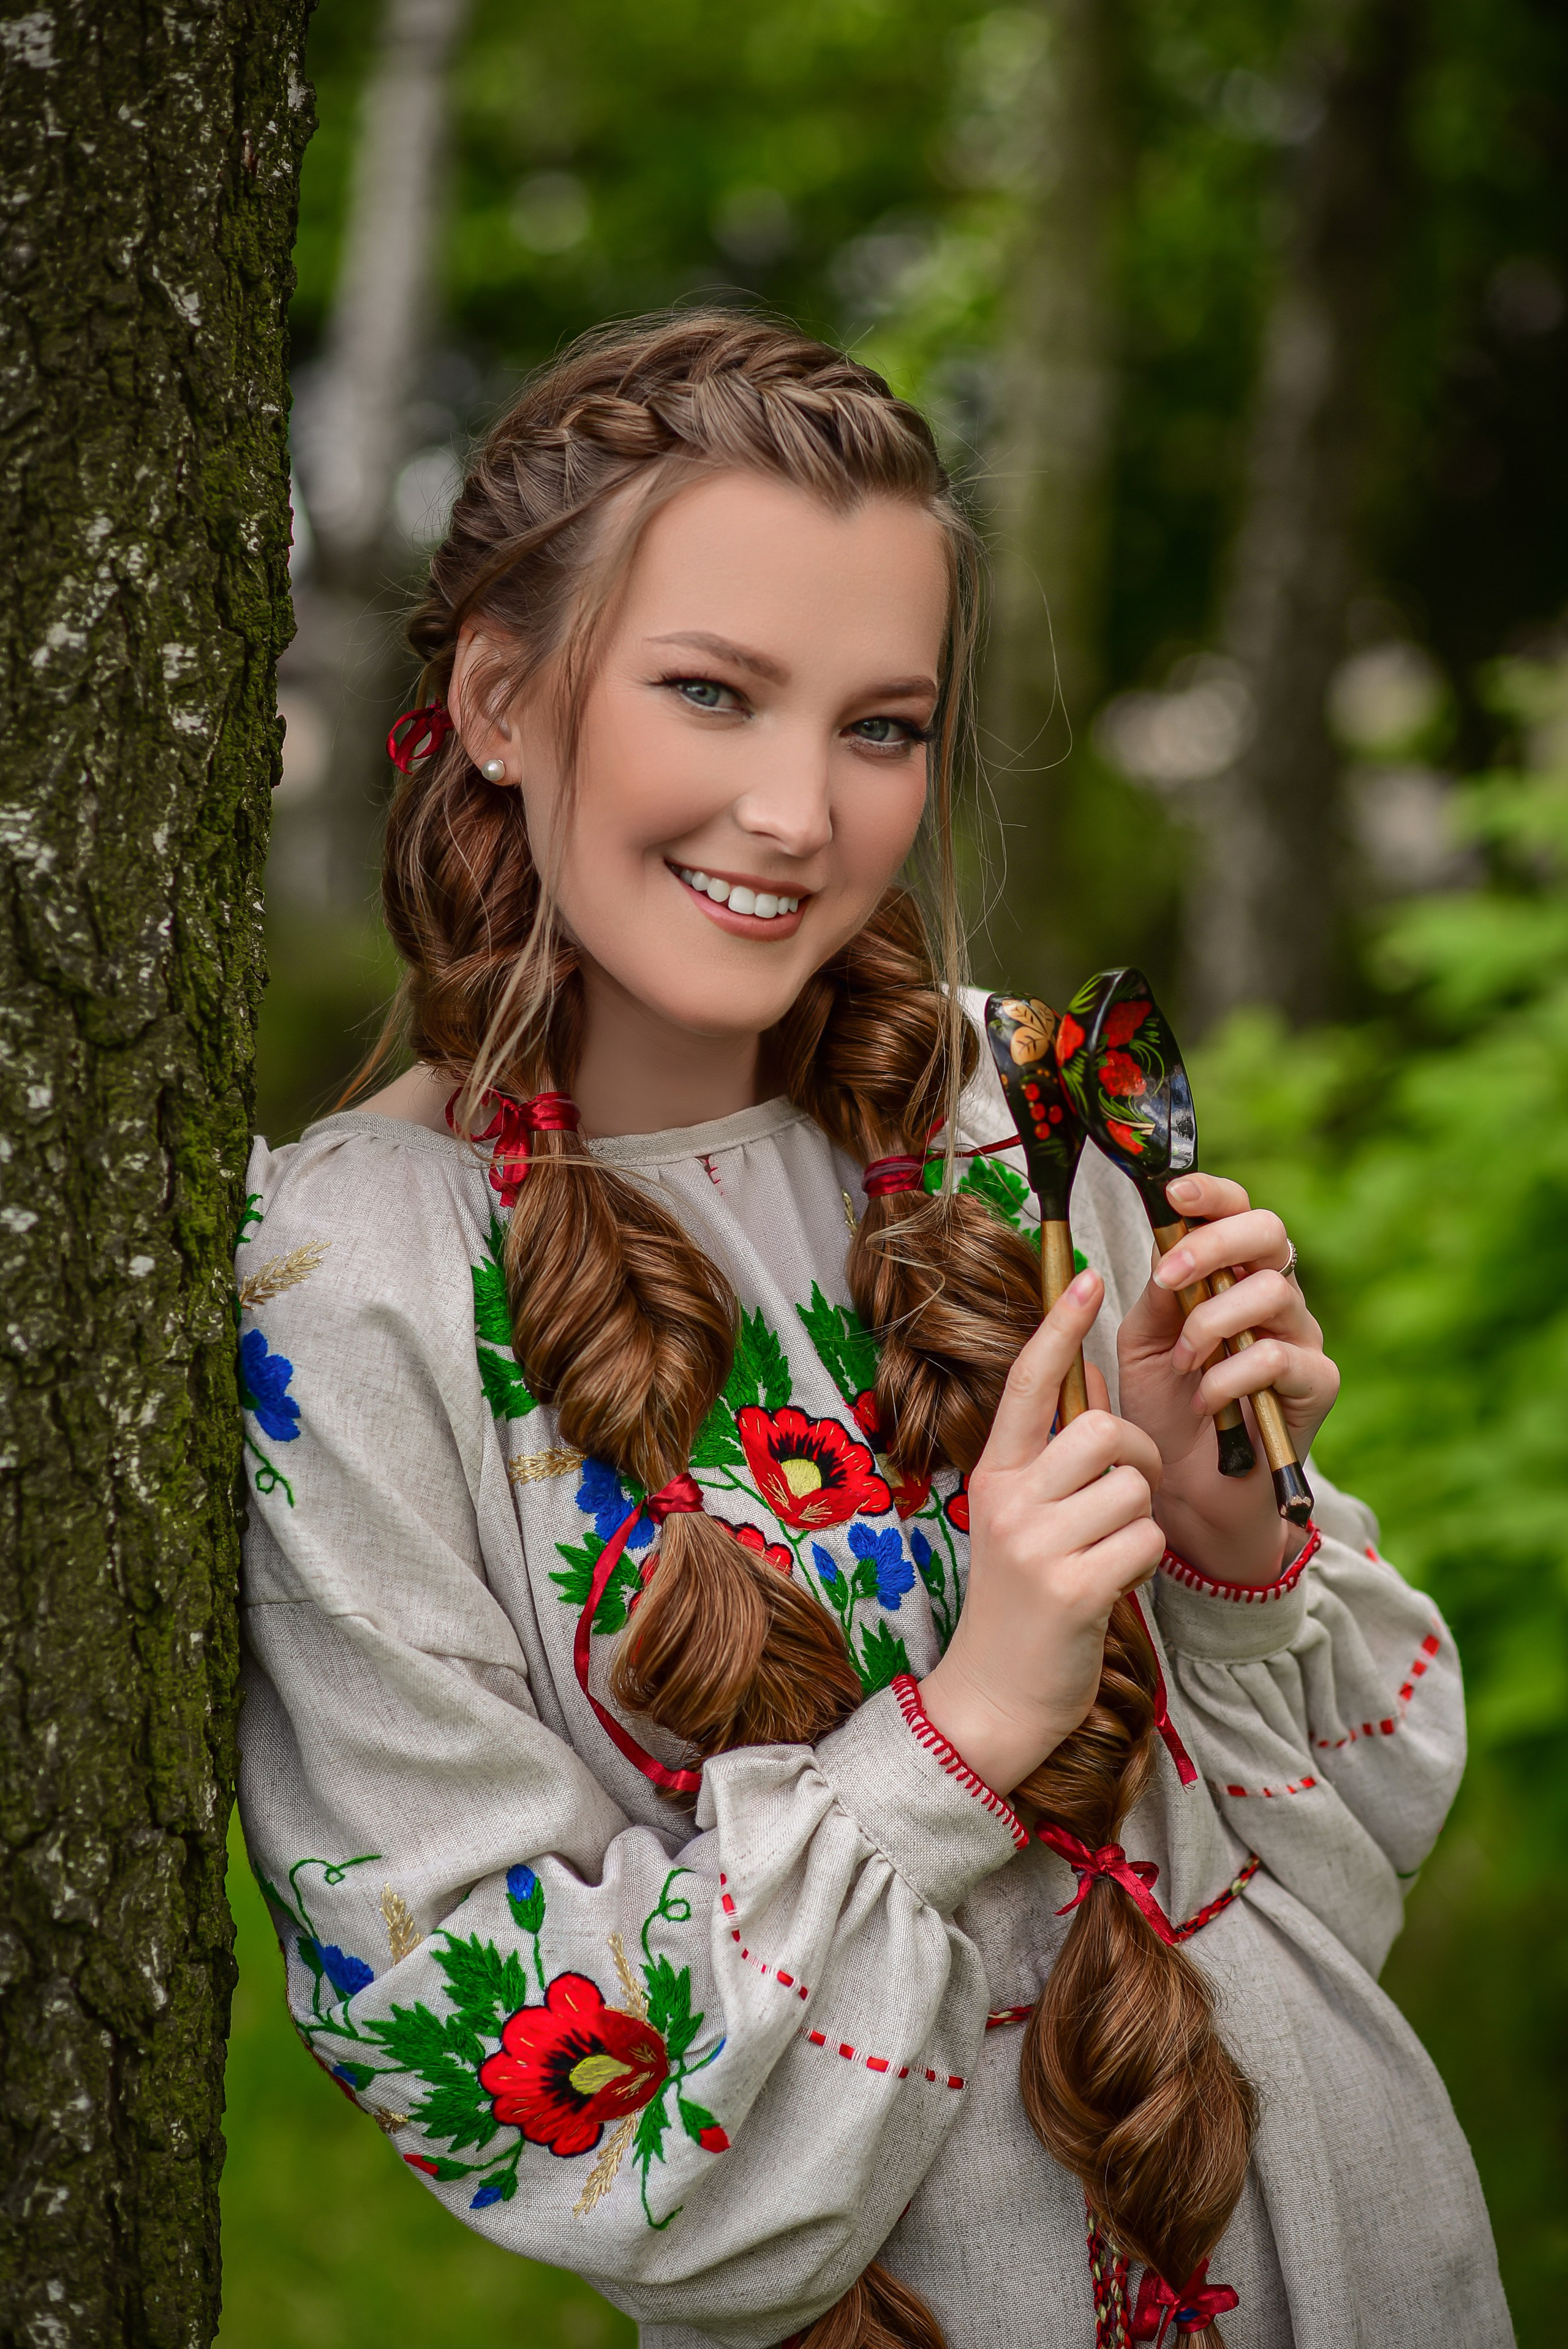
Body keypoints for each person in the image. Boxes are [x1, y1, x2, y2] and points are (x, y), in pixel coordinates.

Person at [236, 313, 1510, 2349]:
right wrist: (961, 1736)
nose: (798, 812)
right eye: (711, 693)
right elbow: (485, 2060)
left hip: (1357, 2247)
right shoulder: (349, 1283)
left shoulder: (1019, 1105)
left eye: (882, 727)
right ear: (497, 695)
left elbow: (1327, 1878)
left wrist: (1234, 1534)